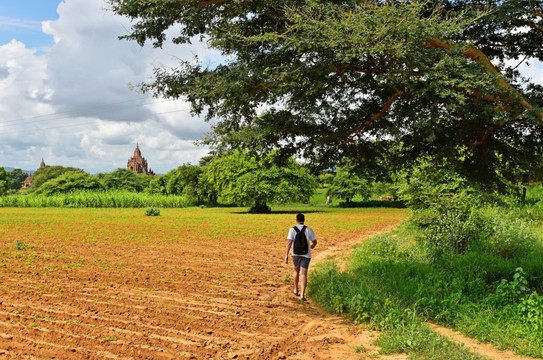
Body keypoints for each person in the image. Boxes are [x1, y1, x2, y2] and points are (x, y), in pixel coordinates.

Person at [284, 213, 317, 301]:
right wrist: (313, 245)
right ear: (304, 220)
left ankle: (296, 290)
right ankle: (302, 294)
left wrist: (286, 255)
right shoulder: (308, 229)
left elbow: (289, 243)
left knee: (296, 270)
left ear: (296, 220)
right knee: (303, 274)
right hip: (306, 255)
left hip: (295, 254)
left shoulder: (292, 229)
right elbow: (314, 241)